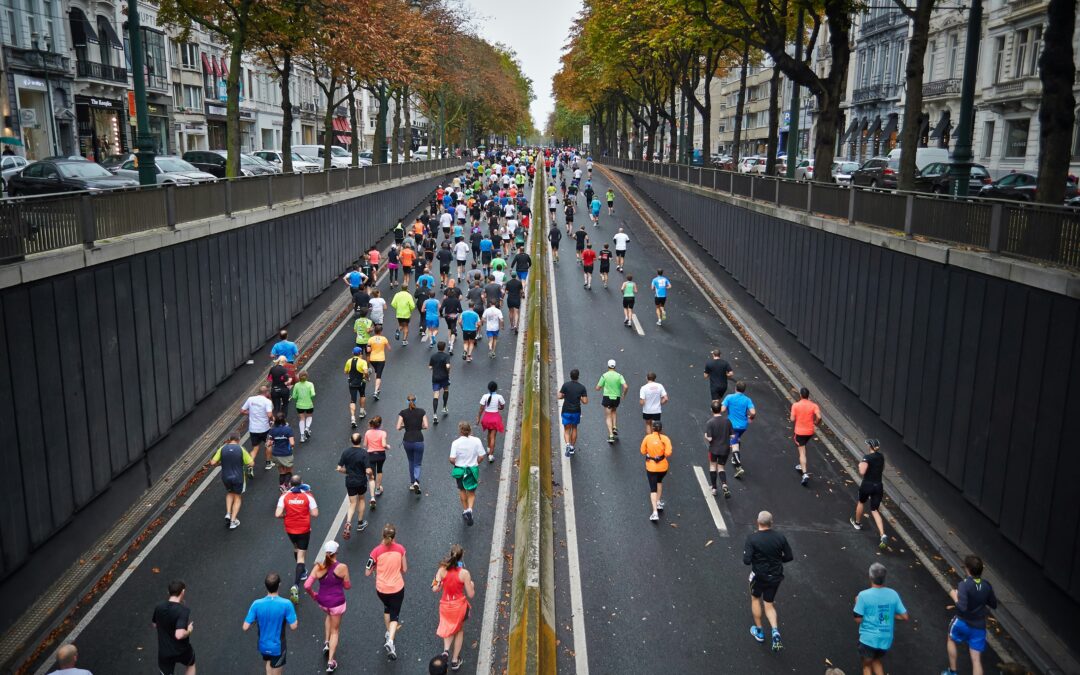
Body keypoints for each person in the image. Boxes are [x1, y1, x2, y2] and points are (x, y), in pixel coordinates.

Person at [743, 510, 793, 652]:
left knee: (755, 599)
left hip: (759, 576)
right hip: (775, 576)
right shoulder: (780, 537)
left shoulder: (752, 539)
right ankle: (775, 631)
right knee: (769, 604)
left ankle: (759, 632)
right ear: (771, 523)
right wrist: (777, 560)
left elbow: (746, 561)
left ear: (757, 522)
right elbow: (789, 557)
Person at [942, 555, 998, 675]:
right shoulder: (987, 585)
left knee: (951, 639)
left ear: (967, 569)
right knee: (976, 660)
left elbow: (962, 607)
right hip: (979, 626)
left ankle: (952, 672)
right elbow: (993, 604)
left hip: (962, 622)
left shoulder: (964, 585)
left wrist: (954, 596)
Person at [304, 541, 351, 673]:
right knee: (335, 631)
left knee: (328, 615)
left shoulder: (318, 567)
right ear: (336, 552)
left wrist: (314, 595)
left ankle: (326, 642)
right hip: (337, 603)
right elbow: (347, 586)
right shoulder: (342, 567)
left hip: (323, 603)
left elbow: (307, 586)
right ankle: (331, 662)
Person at [854, 563, 909, 675]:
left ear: (870, 577)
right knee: (877, 660)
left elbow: (858, 619)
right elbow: (905, 616)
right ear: (884, 578)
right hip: (885, 640)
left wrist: (857, 603)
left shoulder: (863, 596)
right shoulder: (893, 594)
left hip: (868, 640)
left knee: (867, 667)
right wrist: (890, 614)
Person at [243, 573, 298, 675]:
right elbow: (294, 626)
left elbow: (245, 627)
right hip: (278, 646)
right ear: (279, 585)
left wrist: (257, 619)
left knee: (268, 662)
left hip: (263, 645)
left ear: (265, 586)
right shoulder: (286, 604)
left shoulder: (256, 604)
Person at [432, 544, 476, 671]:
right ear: (462, 557)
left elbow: (434, 587)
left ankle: (446, 651)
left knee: (448, 626)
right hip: (459, 607)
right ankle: (455, 661)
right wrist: (471, 584)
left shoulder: (442, 570)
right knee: (459, 630)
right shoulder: (464, 573)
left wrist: (439, 584)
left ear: (450, 555)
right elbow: (471, 594)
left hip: (445, 606)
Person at [367, 524, 408, 660]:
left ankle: (388, 633)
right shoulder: (401, 549)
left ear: (382, 536)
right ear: (394, 536)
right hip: (397, 588)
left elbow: (367, 571)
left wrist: (375, 568)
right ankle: (390, 641)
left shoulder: (375, 551)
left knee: (387, 608)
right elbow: (405, 569)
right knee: (395, 615)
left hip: (381, 589)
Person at [275, 475, 319, 603]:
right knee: (301, 556)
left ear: (290, 484)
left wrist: (286, 515)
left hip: (290, 529)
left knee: (295, 548)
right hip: (304, 529)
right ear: (302, 483)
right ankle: (295, 585)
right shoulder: (307, 496)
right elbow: (315, 513)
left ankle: (303, 571)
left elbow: (277, 514)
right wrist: (304, 511)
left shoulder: (284, 496)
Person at [850, 439, 888, 549]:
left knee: (861, 502)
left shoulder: (867, 457)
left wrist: (860, 465)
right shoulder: (881, 457)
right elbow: (882, 468)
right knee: (874, 510)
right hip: (878, 486)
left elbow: (862, 472)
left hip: (867, 485)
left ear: (870, 447)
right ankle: (882, 534)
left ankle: (857, 523)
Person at [152, 580, 196, 675]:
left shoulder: (159, 607)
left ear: (168, 592)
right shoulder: (183, 610)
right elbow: (179, 635)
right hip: (182, 651)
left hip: (165, 652)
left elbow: (155, 624)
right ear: (183, 592)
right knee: (191, 664)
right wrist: (189, 630)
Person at [210, 434, 253, 529]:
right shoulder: (241, 449)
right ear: (238, 440)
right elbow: (251, 463)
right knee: (238, 497)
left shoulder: (222, 448)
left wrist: (222, 462)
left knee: (230, 493)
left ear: (229, 440)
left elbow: (212, 462)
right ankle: (233, 521)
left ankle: (228, 513)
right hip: (238, 477)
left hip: (225, 477)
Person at [336, 432, 372, 539]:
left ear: (351, 440)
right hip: (361, 481)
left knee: (352, 503)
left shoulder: (346, 452)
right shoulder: (364, 453)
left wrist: (347, 472)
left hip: (350, 481)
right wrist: (370, 474)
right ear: (360, 441)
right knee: (361, 499)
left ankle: (348, 522)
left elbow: (339, 468)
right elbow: (368, 470)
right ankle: (360, 523)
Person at [450, 421, 486, 525]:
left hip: (460, 469)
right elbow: (482, 456)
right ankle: (470, 510)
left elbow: (452, 459)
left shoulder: (455, 443)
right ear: (470, 430)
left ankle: (465, 510)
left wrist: (457, 463)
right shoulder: (477, 440)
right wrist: (476, 463)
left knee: (462, 489)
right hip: (472, 469)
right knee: (471, 492)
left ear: (460, 431)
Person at [722, 382, 756, 478]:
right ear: (744, 390)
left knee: (734, 445)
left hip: (732, 426)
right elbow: (753, 412)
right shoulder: (747, 400)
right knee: (736, 439)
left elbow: (722, 409)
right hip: (743, 426)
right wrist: (751, 418)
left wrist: (715, 407)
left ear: (735, 388)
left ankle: (738, 466)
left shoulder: (729, 397)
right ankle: (734, 458)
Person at [640, 421, 673, 522]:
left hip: (651, 467)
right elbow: (668, 453)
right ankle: (658, 502)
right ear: (661, 429)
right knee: (659, 482)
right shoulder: (665, 439)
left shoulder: (647, 438)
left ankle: (655, 512)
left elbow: (642, 451)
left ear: (653, 428)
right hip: (663, 467)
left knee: (653, 489)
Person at [789, 387, 821, 487]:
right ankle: (801, 466)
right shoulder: (814, 405)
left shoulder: (796, 405)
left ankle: (805, 474)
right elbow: (819, 417)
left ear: (800, 395)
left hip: (800, 432)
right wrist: (816, 422)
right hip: (810, 432)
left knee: (802, 452)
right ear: (808, 395)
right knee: (803, 447)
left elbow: (792, 419)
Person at [397, 395, 429, 494]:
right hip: (419, 440)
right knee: (417, 463)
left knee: (411, 461)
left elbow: (398, 427)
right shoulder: (422, 412)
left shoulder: (402, 413)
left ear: (407, 402)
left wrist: (405, 426)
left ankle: (412, 483)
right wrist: (418, 426)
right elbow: (426, 426)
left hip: (407, 441)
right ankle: (416, 481)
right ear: (416, 400)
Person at [702, 400, 735, 498]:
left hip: (714, 449)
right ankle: (724, 484)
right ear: (721, 409)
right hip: (725, 449)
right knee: (721, 467)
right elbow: (733, 436)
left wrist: (705, 436)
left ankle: (714, 488)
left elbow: (710, 438)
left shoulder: (710, 422)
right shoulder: (727, 421)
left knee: (713, 466)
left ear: (711, 410)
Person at [241, 385, 275, 474]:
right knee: (268, 444)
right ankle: (268, 463)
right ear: (267, 393)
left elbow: (242, 411)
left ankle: (250, 465)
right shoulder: (267, 401)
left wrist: (250, 412)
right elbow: (269, 415)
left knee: (255, 448)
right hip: (265, 429)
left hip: (253, 429)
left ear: (258, 392)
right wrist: (272, 420)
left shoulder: (250, 399)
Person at [595, 360, 628, 444]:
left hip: (607, 397)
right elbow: (625, 386)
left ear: (608, 366)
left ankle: (611, 435)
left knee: (608, 416)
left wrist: (601, 387)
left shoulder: (604, 375)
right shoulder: (619, 376)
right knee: (614, 411)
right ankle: (614, 426)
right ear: (615, 366)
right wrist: (623, 393)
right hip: (616, 397)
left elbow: (598, 387)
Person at [558, 369, 588, 457]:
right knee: (574, 428)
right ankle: (572, 447)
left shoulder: (566, 385)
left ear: (570, 376)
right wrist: (580, 398)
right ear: (578, 376)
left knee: (567, 429)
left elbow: (559, 396)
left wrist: (564, 396)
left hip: (566, 410)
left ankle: (567, 445)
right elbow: (585, 401)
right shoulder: (582, 387)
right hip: (576, 411)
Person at [477, 381, 506, 462]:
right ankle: (491, 455)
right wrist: (499, 408)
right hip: (495, 418)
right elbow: (502, 406)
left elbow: (481, 409)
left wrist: (478, 418)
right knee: (493, 436)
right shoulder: (499, 397)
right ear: (496, 388)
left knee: (489, 433)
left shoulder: (484, 396)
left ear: (488, 388)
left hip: (486, 418)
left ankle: (488, 448)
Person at [364, 417, 389, 508]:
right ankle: (378, 489)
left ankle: (372, 497)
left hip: (371, 455)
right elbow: (383, 445)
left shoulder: (367, 432)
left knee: (371, 476)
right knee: (379, 470)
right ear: (380, 424)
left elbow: (365, 444)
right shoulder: (383, 433)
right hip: (381, 455)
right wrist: (387, 446)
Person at [268, 413, 296, 491]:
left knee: (281, 472)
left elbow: (269, 443)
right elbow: (292, 443)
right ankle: (285, 486)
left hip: (276, 454)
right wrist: (292, 447)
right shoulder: (288, 429)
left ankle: (281, 486)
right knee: (289, 471)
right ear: (284, 419)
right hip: (286, 453)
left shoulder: (272, 430)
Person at [344, 347, 369, 429]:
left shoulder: (349, 361)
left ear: (352, 353)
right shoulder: (363, 362)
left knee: (352, 400)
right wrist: (367, 377)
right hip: (361, 382)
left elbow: (345, 372)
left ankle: (353, 418)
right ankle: (361, 411)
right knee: (362, 395)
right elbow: (365, 371)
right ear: (360, 353)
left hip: (352, 382)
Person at [290, 371, 316, 443]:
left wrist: (298, 397)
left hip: (299, 405)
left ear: (299, 377)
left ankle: (302, 436)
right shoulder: (310, 384)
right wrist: (310, 398)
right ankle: (307, 428)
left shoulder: (297, 385)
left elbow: (294, 396)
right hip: (309, 404)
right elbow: (313, 394)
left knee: (302, 419)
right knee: (309, 417)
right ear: (307, 377)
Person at [430, 341, 452, 419]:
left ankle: (435, 414)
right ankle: (444, 407)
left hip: (435, 377)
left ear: (437, 347)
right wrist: (448, 371)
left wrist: (434, 368)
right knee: (446, 390)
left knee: (436, 394)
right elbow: (448, 366)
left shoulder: (433, 356)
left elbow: (430, 367)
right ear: (444, 347)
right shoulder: (446, 356)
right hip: (444, 377)